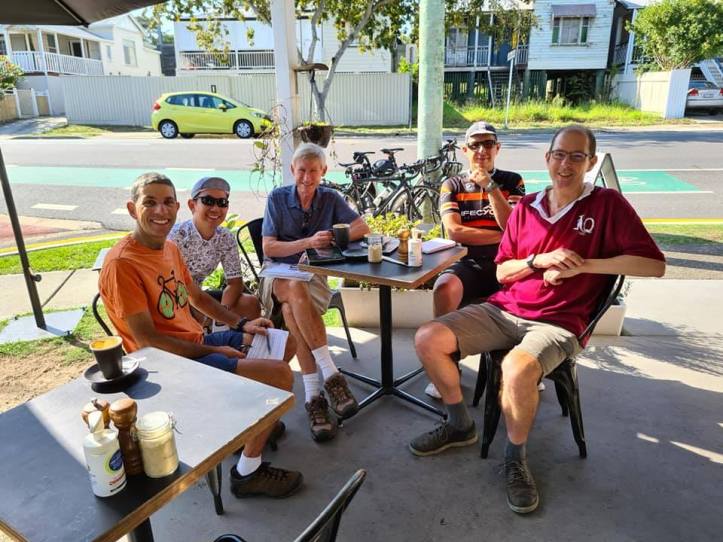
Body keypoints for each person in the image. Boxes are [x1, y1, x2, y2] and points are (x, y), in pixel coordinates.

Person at [409, 125, 665, 514]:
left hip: (560, 321)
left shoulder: (606, 204)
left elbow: (653, 265)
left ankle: (515, 458)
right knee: (428, 337)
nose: (566, 164)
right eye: (559, 154)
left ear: (590, 162)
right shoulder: (527, 207)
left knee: (516, 369)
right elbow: (502, 272)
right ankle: (459, 423)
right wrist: (537, 261)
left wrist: (583, 266)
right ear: (547, 158)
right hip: (504, 309)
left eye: (577, 156)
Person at [99, 172, 303, 499]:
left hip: (195, 344)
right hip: (165, 367)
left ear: (178, 206)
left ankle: (246, 425)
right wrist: (217, 352)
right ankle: (247, 473)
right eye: (150, 202)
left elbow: (197, 297)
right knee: (279, 376)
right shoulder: (122, 263)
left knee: (283, 341)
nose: (161, 211)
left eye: (168, 202)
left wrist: (241, 324)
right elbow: (149, 342)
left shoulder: (169, 248)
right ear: (132, 209)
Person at [260, 143, 370, 442]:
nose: (307, 177)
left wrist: (332, 236)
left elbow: (363, 227)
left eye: (313, 171)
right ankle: (331, 373)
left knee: (291, 309)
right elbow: (269, 247)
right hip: (276, 275)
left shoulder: (330, 197)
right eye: (301, 170)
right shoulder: (277, 198)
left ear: (323, 171)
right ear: (292, 170)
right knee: (293, 288)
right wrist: (309, 242)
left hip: (313, 277)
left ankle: (313, 396)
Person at [425, 121, 526, 400]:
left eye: (488, 143)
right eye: (475, 144)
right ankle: (447, 365)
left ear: (497, 148)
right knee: (443, 288)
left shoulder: (512, 181)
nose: (482, 150)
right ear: (465, 150)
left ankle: (523, 362)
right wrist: (502, 236)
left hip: (506, 262)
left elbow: (513, 227)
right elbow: (455, 231)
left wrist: (490, 187)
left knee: (525, 295)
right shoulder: (452, 184)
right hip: (467, 260)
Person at [169, 176, 261, 326]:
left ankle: (243, 340)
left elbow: (235, 283)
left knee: (250, 303)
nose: (216, 208)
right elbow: (169, 283)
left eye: (222, 202)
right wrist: (201, 310)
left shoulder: (225, 237)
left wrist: (222, 313)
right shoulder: (176, 236)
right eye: (208, 201)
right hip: (172, 296)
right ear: (192, 205)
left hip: (199, 296)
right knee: (194, 314)